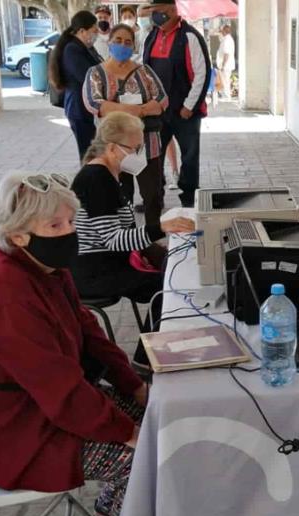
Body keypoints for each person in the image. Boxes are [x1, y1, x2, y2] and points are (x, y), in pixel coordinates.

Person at [0, 172, 149, 516]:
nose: (69, 232)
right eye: (55, 225)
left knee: (156, 417)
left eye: (71, 221)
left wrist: (134, 385)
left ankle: (112, 507)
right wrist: (128, 433)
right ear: (17, 235)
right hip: (10, 438)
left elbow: (88, 332)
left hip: (40, 407)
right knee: (145, 455)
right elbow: (58, 388)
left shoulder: (43, 266)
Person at [71, 112, 194, 319]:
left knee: (177, 267)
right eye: (135, 149)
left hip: (110, 261)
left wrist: (157, 249)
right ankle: (150, 349)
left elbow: (123, 232)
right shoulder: (96, 179)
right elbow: (114, 240)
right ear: (111, 148)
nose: (139, 154)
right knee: (168, 288)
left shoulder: (109, 173)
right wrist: (162, 227)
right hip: (94, 271)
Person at [83, 23, 169, 225]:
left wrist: (139, 110)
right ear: (109, 43)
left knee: (153, 196)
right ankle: (127, 241)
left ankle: (151, 238)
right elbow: (94, 103)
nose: (123, 45)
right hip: (114, 147)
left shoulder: (144, 71)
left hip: (147, 144)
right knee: (121, 197)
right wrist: (136, 111)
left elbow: (162, 99)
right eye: (118, 41)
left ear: (134, 46)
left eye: (128, 42)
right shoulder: (96, 73)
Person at [142, 0, 211, 208]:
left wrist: (189, 106)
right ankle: (154, 198)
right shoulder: (152, 36)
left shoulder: (190, 37)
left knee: (189, 157)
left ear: (173, 11)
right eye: (153, 12)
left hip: (184, 112)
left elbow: (202, 73)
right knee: (153, 157)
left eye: (159, 11)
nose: (155, 16)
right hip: (157, 111)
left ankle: (189, 200)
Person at [49, 10, 102, 160]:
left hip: (86, 108)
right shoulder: (72, 49)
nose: (96, 33)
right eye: (94, 30)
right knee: (87, 153)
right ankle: (88, 181)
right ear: (82, 31)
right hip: (79, 108)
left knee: (92, 151)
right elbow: (87, 76)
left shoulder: (85, 47)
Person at [215, 25, 235, 100]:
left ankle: (226, 97)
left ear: (225, 31)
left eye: (222, 31)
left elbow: (226, 54)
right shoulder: (227, 39)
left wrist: (223, 65)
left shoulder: (227, 40)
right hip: (226, 65)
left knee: (225, 81)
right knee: (225, 81)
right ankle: (225, 96)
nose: (221, 32)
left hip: (225, 66)